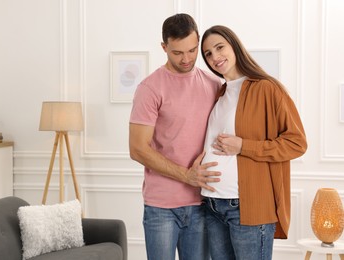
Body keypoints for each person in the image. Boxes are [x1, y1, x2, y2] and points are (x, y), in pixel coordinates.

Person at [200, 25, 307, 260]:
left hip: (246, 207)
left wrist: (243, 146)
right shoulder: (221, 93)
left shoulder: (267, 88)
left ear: (234, 46)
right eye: (208, 53)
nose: (215, 57)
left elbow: (296, 142)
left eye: (220, 48)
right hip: (212, 204)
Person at [129, 14, 223, 260]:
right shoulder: (150, 88)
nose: (187, 59)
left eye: (192, 50)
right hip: (161, 207)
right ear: (164, 48)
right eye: (177, 52)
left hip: (204, 204)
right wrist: (186, 176)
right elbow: (137, 148)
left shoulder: (214, 84)